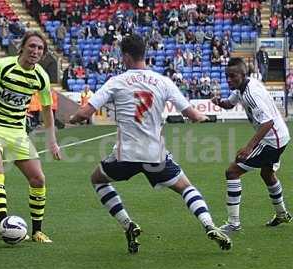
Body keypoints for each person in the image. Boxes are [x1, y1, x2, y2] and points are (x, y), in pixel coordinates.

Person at [70, 34, 232, 254]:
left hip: (125, 155)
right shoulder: (163, 81)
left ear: (126, 56)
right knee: (186, 188)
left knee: (97, 179)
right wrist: (202, 117)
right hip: (155, 156)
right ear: (144, 54)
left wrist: (72, 119)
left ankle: (128, 223)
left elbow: (84, 113)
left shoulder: (116, 82)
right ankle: (208, 224)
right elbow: (193, 114)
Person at [0, 31, 61, 243]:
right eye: (32, 46)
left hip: (17, 130)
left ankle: (37, 232)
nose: (35, 51)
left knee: (38, 178)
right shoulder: (2, 66)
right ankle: (6, 224)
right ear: (22, 47)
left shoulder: (41, 76)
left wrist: (52, 140)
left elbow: (47, 110)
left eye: (40, 48)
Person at [211, 58, 291, 234]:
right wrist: (219, 102)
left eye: (232, 76)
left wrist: (249, 147)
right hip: (279, 136)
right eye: (227, 76)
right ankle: (282, 213)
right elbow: (229, 104)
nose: (229, 80)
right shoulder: (243, 88)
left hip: (272, 140)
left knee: (232, 172)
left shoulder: (251, 93)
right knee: (267, 173)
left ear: (242, 75)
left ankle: (233, 224)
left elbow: (267, 122)